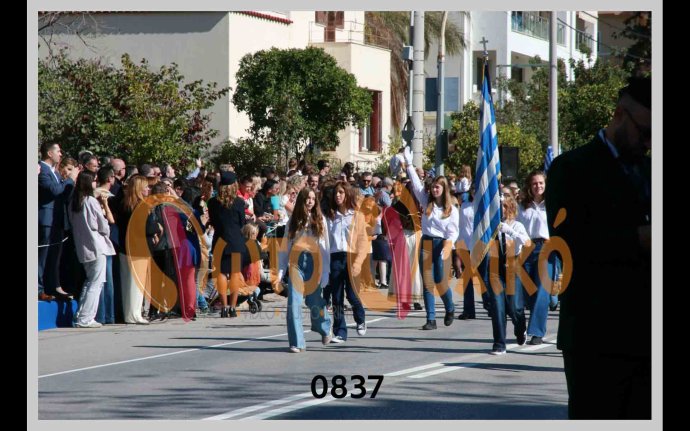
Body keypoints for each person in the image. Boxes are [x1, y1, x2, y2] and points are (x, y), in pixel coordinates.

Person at [545, 77, 651, 419]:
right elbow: (568, 245)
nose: (648, 143)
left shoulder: (650, 170)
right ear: (620, 115)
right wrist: (639, 238)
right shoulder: (571, 168)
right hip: (595, 337)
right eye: (644, 132)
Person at [403, 146, 459, 330]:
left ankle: (450, 307)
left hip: (442, 244)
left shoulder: (451, 210)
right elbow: (416, 184)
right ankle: (431, 319)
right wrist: (409, 164)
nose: (434, 190)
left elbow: (453, 232)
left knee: (440, 281)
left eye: (437, 187)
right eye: (433, 187)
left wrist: (448, 246)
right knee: (427, 282)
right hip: (426, 243)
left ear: (444, 189)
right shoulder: (426, 201)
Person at [276, 188, 333, 352]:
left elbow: (325, 247)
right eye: (307, 198)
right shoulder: (293, 221)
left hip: (314, 262)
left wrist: (326, 272)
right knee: (294, 302)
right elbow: (285, 247)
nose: (310, 201)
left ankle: (324, 326)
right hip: (296, 262)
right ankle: (297, 342)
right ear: (301, 200)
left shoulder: (320, 219)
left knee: (313, 301)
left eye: (313, 199)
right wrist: (280, 271)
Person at [482, 188, 529, 354]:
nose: (500, 209)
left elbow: (526, 242)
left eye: (503, 206)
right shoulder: (490, 228)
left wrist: (509, 231)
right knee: (498, 307)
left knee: (515, 307)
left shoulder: (517, 225)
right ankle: (499, 344)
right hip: (495, 267)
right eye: (497, 206)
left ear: (509, 207)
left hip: (512, 265)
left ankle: (520, 327)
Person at [68, 170, 116, 328]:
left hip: (83, 247)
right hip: (97, 246)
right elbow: (103, 226)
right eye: (94, 181)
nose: (96, 183)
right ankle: (86, 318)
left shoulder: (74, 202)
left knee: (89, 282)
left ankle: (81, 315)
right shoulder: (91, 201)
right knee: (96, 283)